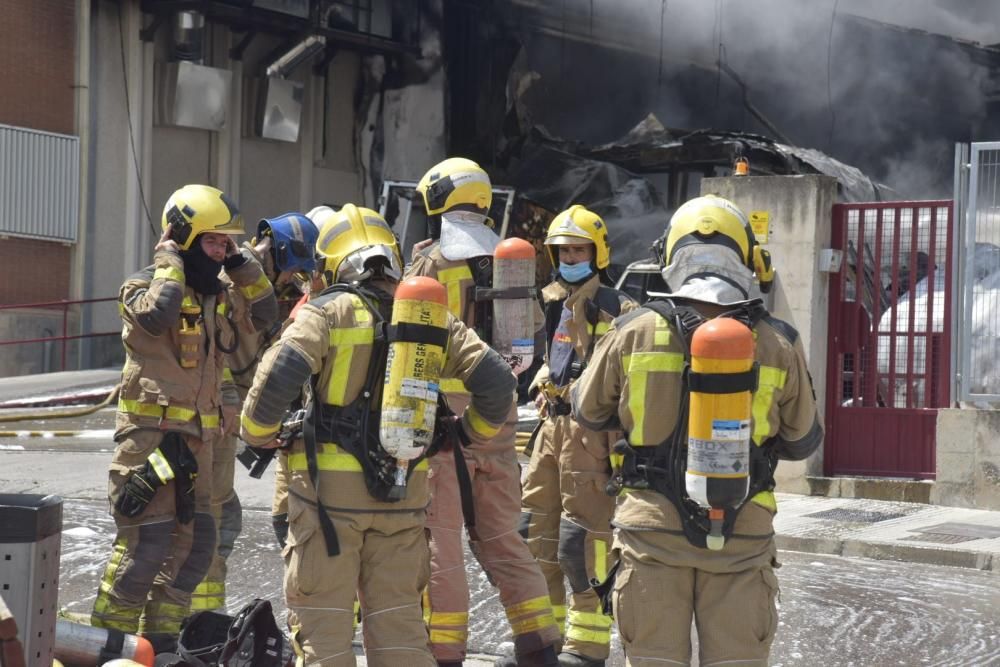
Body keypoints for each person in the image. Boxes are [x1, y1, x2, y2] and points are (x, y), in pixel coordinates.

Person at [240, 204, 518, 665]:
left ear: (331, 262)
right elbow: (497, 382)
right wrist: (468, 434)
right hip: (403, 500)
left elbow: (282, 371)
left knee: (324, 633)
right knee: (401, 630)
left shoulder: (327, 312)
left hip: (329, 507)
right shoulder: (430, 320)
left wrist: (260, 432)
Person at [570, 194, 823, 666]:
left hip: (651, 534)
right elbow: (803, 438)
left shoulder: (634, 329)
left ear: (669, 257)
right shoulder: (777, 340)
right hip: (742, 535)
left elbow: (587, 409)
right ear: (746, 259)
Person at [91, 184, 278, 650]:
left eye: (224, 243)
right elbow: (159, 314)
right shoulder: (140, 285)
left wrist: (240, 262)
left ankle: (161, 644)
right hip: (151, 444)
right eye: (212, 242)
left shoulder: (217, 293)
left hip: (200, 447)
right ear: (182, 237)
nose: (219, 253)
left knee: (194, 554)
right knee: (143, 554)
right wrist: (170, 260)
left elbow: (266, 310)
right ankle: (104, 648)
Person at [407, 157, 561, 667]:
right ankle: (539, 640)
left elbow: (407, 336)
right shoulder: (509, 258)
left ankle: (443, 651)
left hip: (442, 421)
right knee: (501, 537)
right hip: (497, 416)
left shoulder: (430, 262)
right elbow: (533, 338)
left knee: (441, 542)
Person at [518, 205, 636, 667]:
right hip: (550, 429)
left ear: (597, 252)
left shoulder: (616, 309)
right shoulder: (553, 300)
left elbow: (621, 378)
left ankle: (586, 648)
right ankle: (543, 640)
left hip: (590, 438)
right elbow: (555, 356)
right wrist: (543, 381)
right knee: (533, 535)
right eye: (563, 250)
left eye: (578, 249)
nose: (569, 258)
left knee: (582, 543)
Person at [189, 211, 320, 612]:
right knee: (214, 514)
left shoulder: (260, 282)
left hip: (238, 406)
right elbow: (216, 352)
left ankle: (202, 610)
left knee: (222, 514)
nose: (291, 281)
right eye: (292, 269)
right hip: (219, 407)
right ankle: (199, 613)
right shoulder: (229, 283)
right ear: (278, 253)